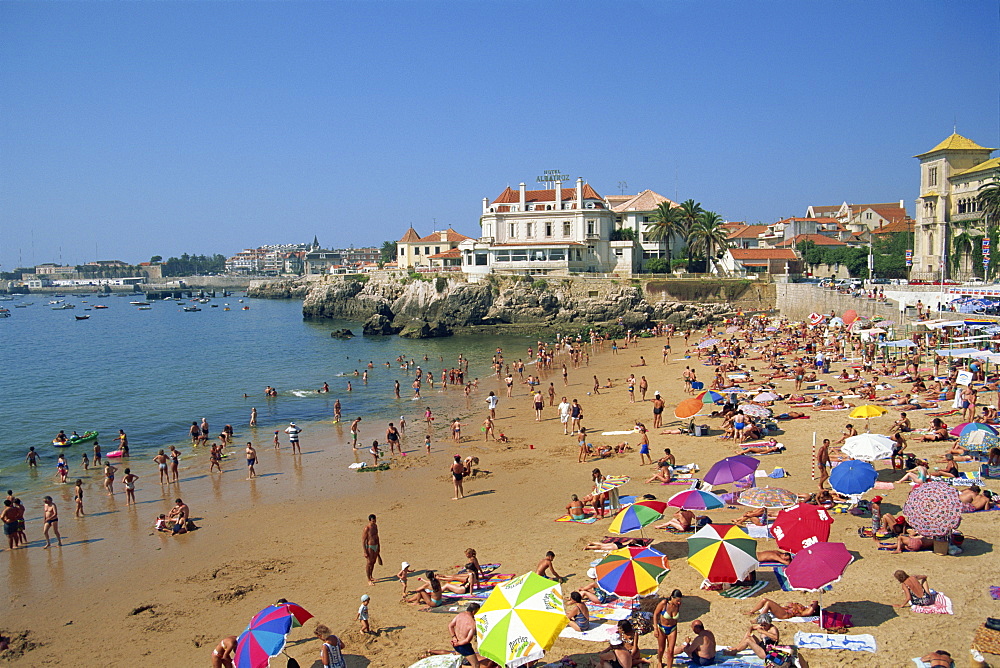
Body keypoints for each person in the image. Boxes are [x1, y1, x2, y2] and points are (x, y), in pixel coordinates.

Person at [653, 590, 683, 667]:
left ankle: (669, 666)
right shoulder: (664, 604)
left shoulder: (678, 605)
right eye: (677, 600)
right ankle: (659, 661)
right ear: (672, 598)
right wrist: (655, 628)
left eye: (680, 600)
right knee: (661, 649)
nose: (679, 602)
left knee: (670, 650)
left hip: (673, 629)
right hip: (662, 628)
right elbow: (655, 614)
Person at [449, 603, 481, 667]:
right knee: (476, 665)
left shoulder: (460, 615)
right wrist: (458, 643)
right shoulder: (472, 623)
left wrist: (454, 637)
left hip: (455, 642)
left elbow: (450, 626)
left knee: (458, 662)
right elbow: (467, 640)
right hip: (463, 645)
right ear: (474, 611)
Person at [362, 514, 381, 585]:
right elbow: (363, 540)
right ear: (369, 520)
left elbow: (377, 536)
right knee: (369, 563)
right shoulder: (367, 528)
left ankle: (371, 576)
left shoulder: (375, 526)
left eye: (375, 520)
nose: (374, 522)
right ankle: (368, 579)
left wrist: (379, 546)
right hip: (370, 546)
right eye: (373, 521)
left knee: (373, 562)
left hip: (376, 545)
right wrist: (365, 551)